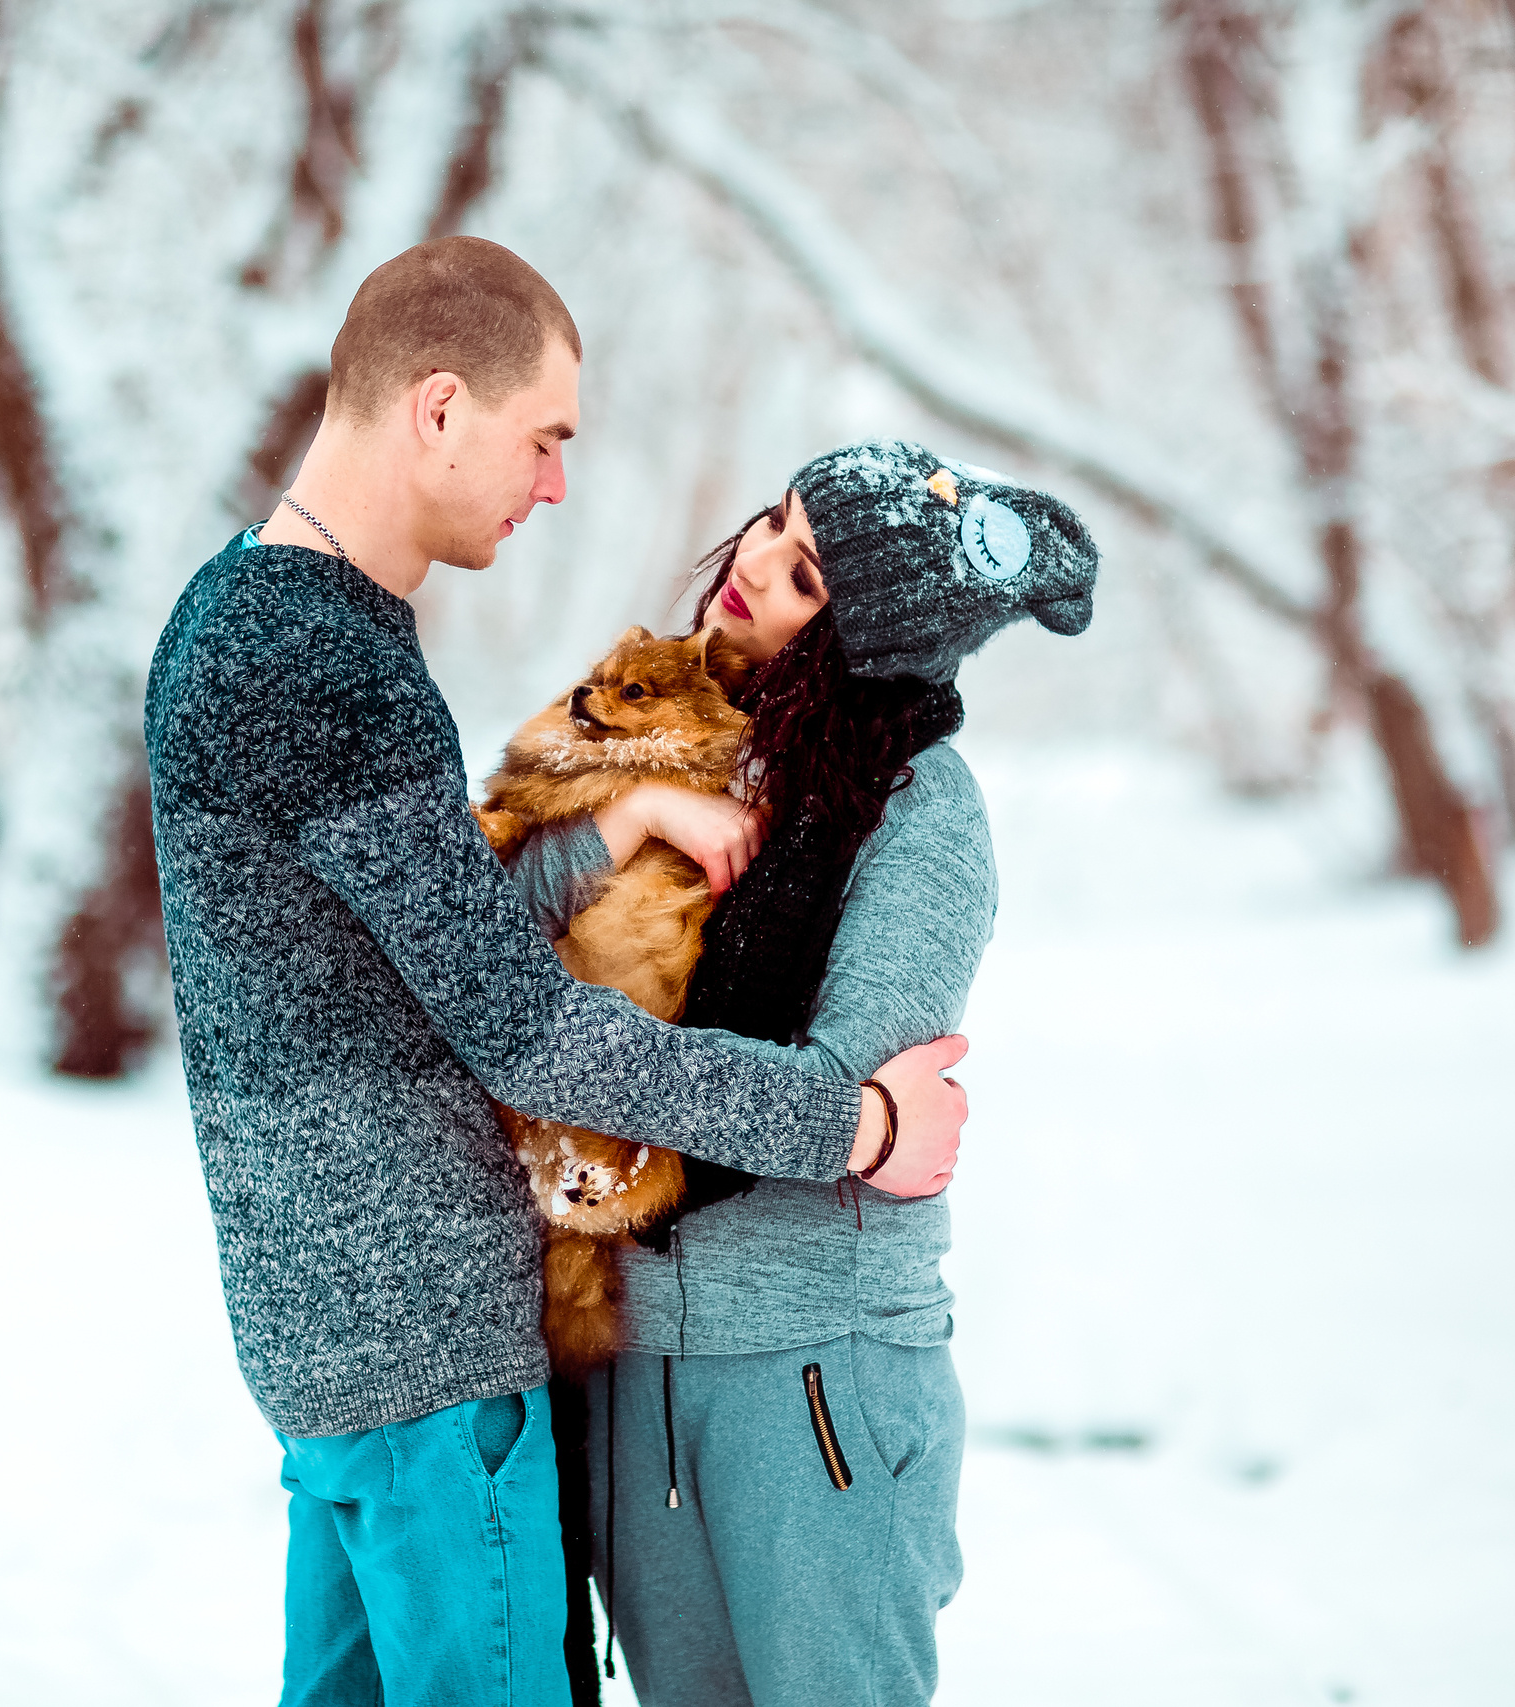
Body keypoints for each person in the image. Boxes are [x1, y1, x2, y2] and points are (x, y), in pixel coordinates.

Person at [143, 240, 974, 1707]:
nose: (555, 484)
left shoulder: (230, 609)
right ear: (439, 408)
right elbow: (525, 1031)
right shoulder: (330, 667)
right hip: (429, 1353)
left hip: (333, 1342)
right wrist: (856, 1126)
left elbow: (422, 935)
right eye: (544, 439)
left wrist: (610, 824)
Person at [505, 440, 1099, 1706]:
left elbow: (836, 1097)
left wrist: (568, 1059)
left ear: (861, 640)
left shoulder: (919, 812)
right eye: (774, 524)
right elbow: (481, 948)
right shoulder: (658, 733)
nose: (757, 565)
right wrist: (623, 823)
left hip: (812, 1369)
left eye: (808, 576)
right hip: (638, 1366)